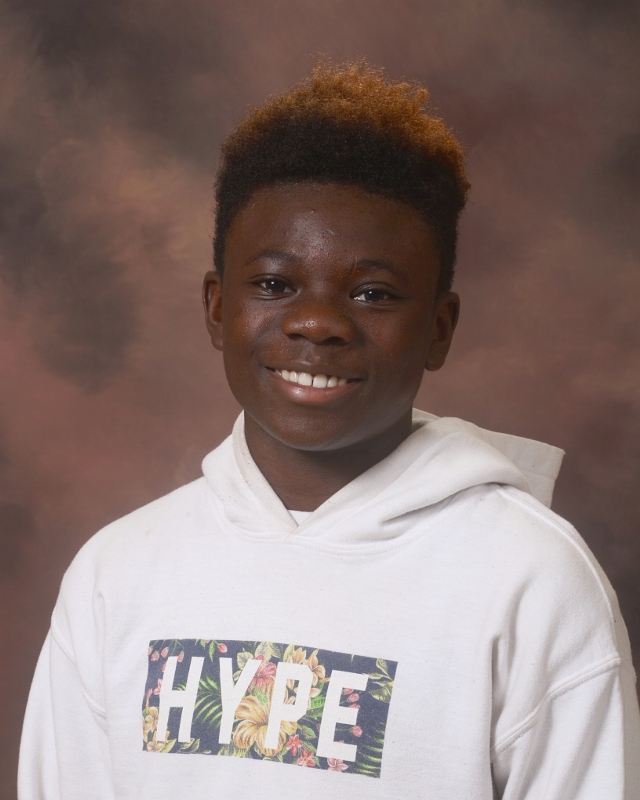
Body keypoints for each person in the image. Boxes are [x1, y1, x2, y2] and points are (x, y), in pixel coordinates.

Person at [18, 62, 640, 799]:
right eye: (274, 284)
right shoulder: (117, 573)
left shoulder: (530, 581)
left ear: (438, 330)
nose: (317, 322)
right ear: (216, 308)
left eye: (373, 293)